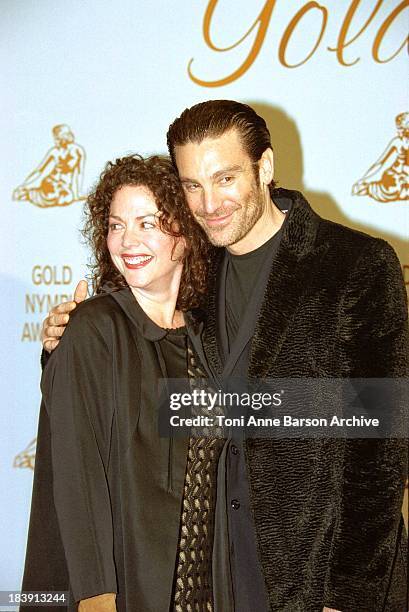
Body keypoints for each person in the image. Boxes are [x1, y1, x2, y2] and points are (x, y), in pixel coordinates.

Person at [43, 101, 408, 612]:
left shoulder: (355, 264)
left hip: (312, 580)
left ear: (266, 168)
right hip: (216, 575)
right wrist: (64, 342)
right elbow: (139, 383)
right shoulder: (193, 271)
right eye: (193, 185)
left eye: (225, 178)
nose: (209, 202)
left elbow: (380, 456)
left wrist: (344, 598)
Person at [22, 154, 224, 612]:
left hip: (204, 593)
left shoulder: (209, 336)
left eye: (148, 223)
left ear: (188, 233)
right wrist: (97, 597)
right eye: (116, 225)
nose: (127, 240)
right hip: (122, 593)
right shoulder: (92, 328)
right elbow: (77, 475)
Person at [13, 124, 86, 208]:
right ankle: (29, 193)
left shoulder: (78, 151)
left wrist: (78, 193)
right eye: (55, 138)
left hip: (63, 186)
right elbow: (38, 170)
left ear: (65, 136)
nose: (56, 141)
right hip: (50, 182)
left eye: (58, 138)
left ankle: (30, 194)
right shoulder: (54, 151)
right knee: (55, 194)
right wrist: (24, 185)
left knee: (66, 199)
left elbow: (79, 173)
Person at [352, 112, 409, 202]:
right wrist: (364, 178)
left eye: (400, 129)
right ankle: (367, 189)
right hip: (394, 178)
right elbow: (379, 163)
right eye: (398, 129)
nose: (398, 132)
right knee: (391, 185)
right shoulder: (397, 142)